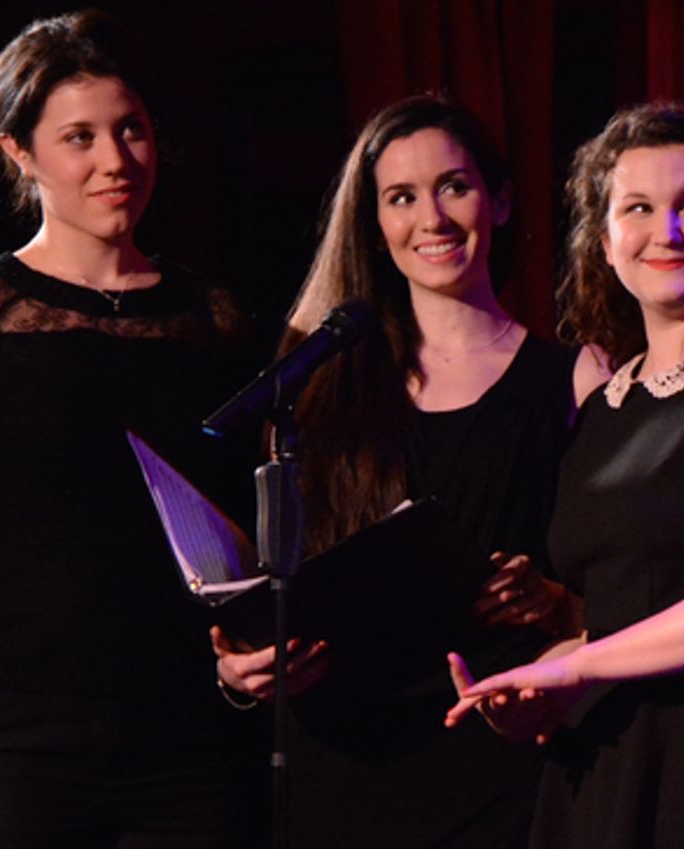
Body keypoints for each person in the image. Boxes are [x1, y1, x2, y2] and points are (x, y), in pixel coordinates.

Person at [0, 11, 253, 849]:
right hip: (4, 744)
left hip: (179, 739)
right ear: (20, 153)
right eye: (80, 137)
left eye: (130, 130)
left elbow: (244, 517)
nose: (116, 161)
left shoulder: (207, 322)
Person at [213, 95, 608, 848]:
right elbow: (266, 585)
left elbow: (620, 587)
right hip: (346, 759)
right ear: (374, 221)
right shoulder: (320, 381)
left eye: (453, 187)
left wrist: (555, 600)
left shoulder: (576, 377)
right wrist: (240, 666)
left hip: (500, 748)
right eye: (401, 197)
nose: (431, 217)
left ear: (499, 199)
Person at [446, 102, 684, 848]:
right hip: (605, 749)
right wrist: (540, 680)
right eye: (639, 208)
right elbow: (621, 612)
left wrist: (581, 667)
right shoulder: (605, 404)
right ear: (604, 238)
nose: (668, 232)